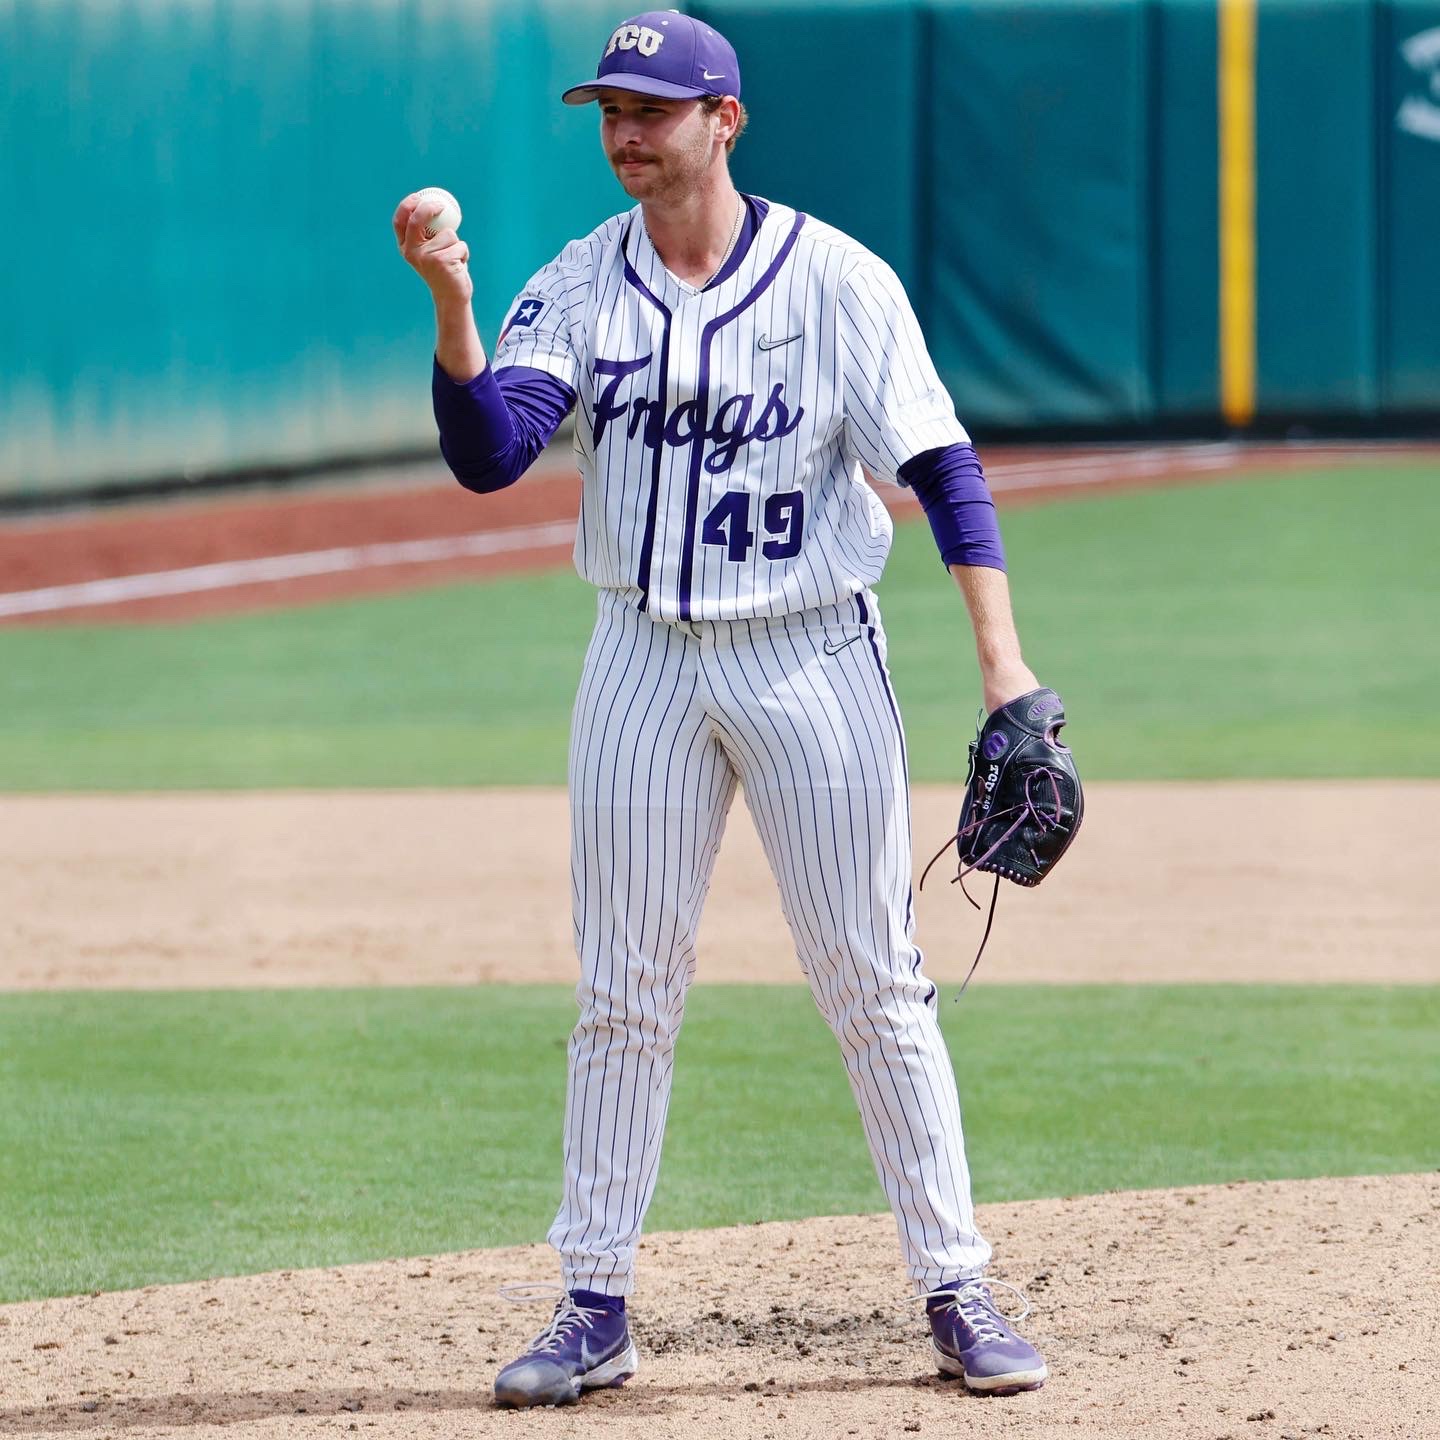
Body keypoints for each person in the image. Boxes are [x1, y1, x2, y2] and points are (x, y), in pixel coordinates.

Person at [394, 9, 1051, 1410]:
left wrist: (1007, 669)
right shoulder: (577, 284)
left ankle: (956, 1284)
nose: (626, 131)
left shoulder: (839, 282)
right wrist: (452, 301)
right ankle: (594, 1302)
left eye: (654, 107)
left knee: (874, 981)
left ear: (724, 120)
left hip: (812, 655)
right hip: (639, 657)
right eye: (608, 109)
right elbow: (493, 451)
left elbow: (944, 469)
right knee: (622, 991)